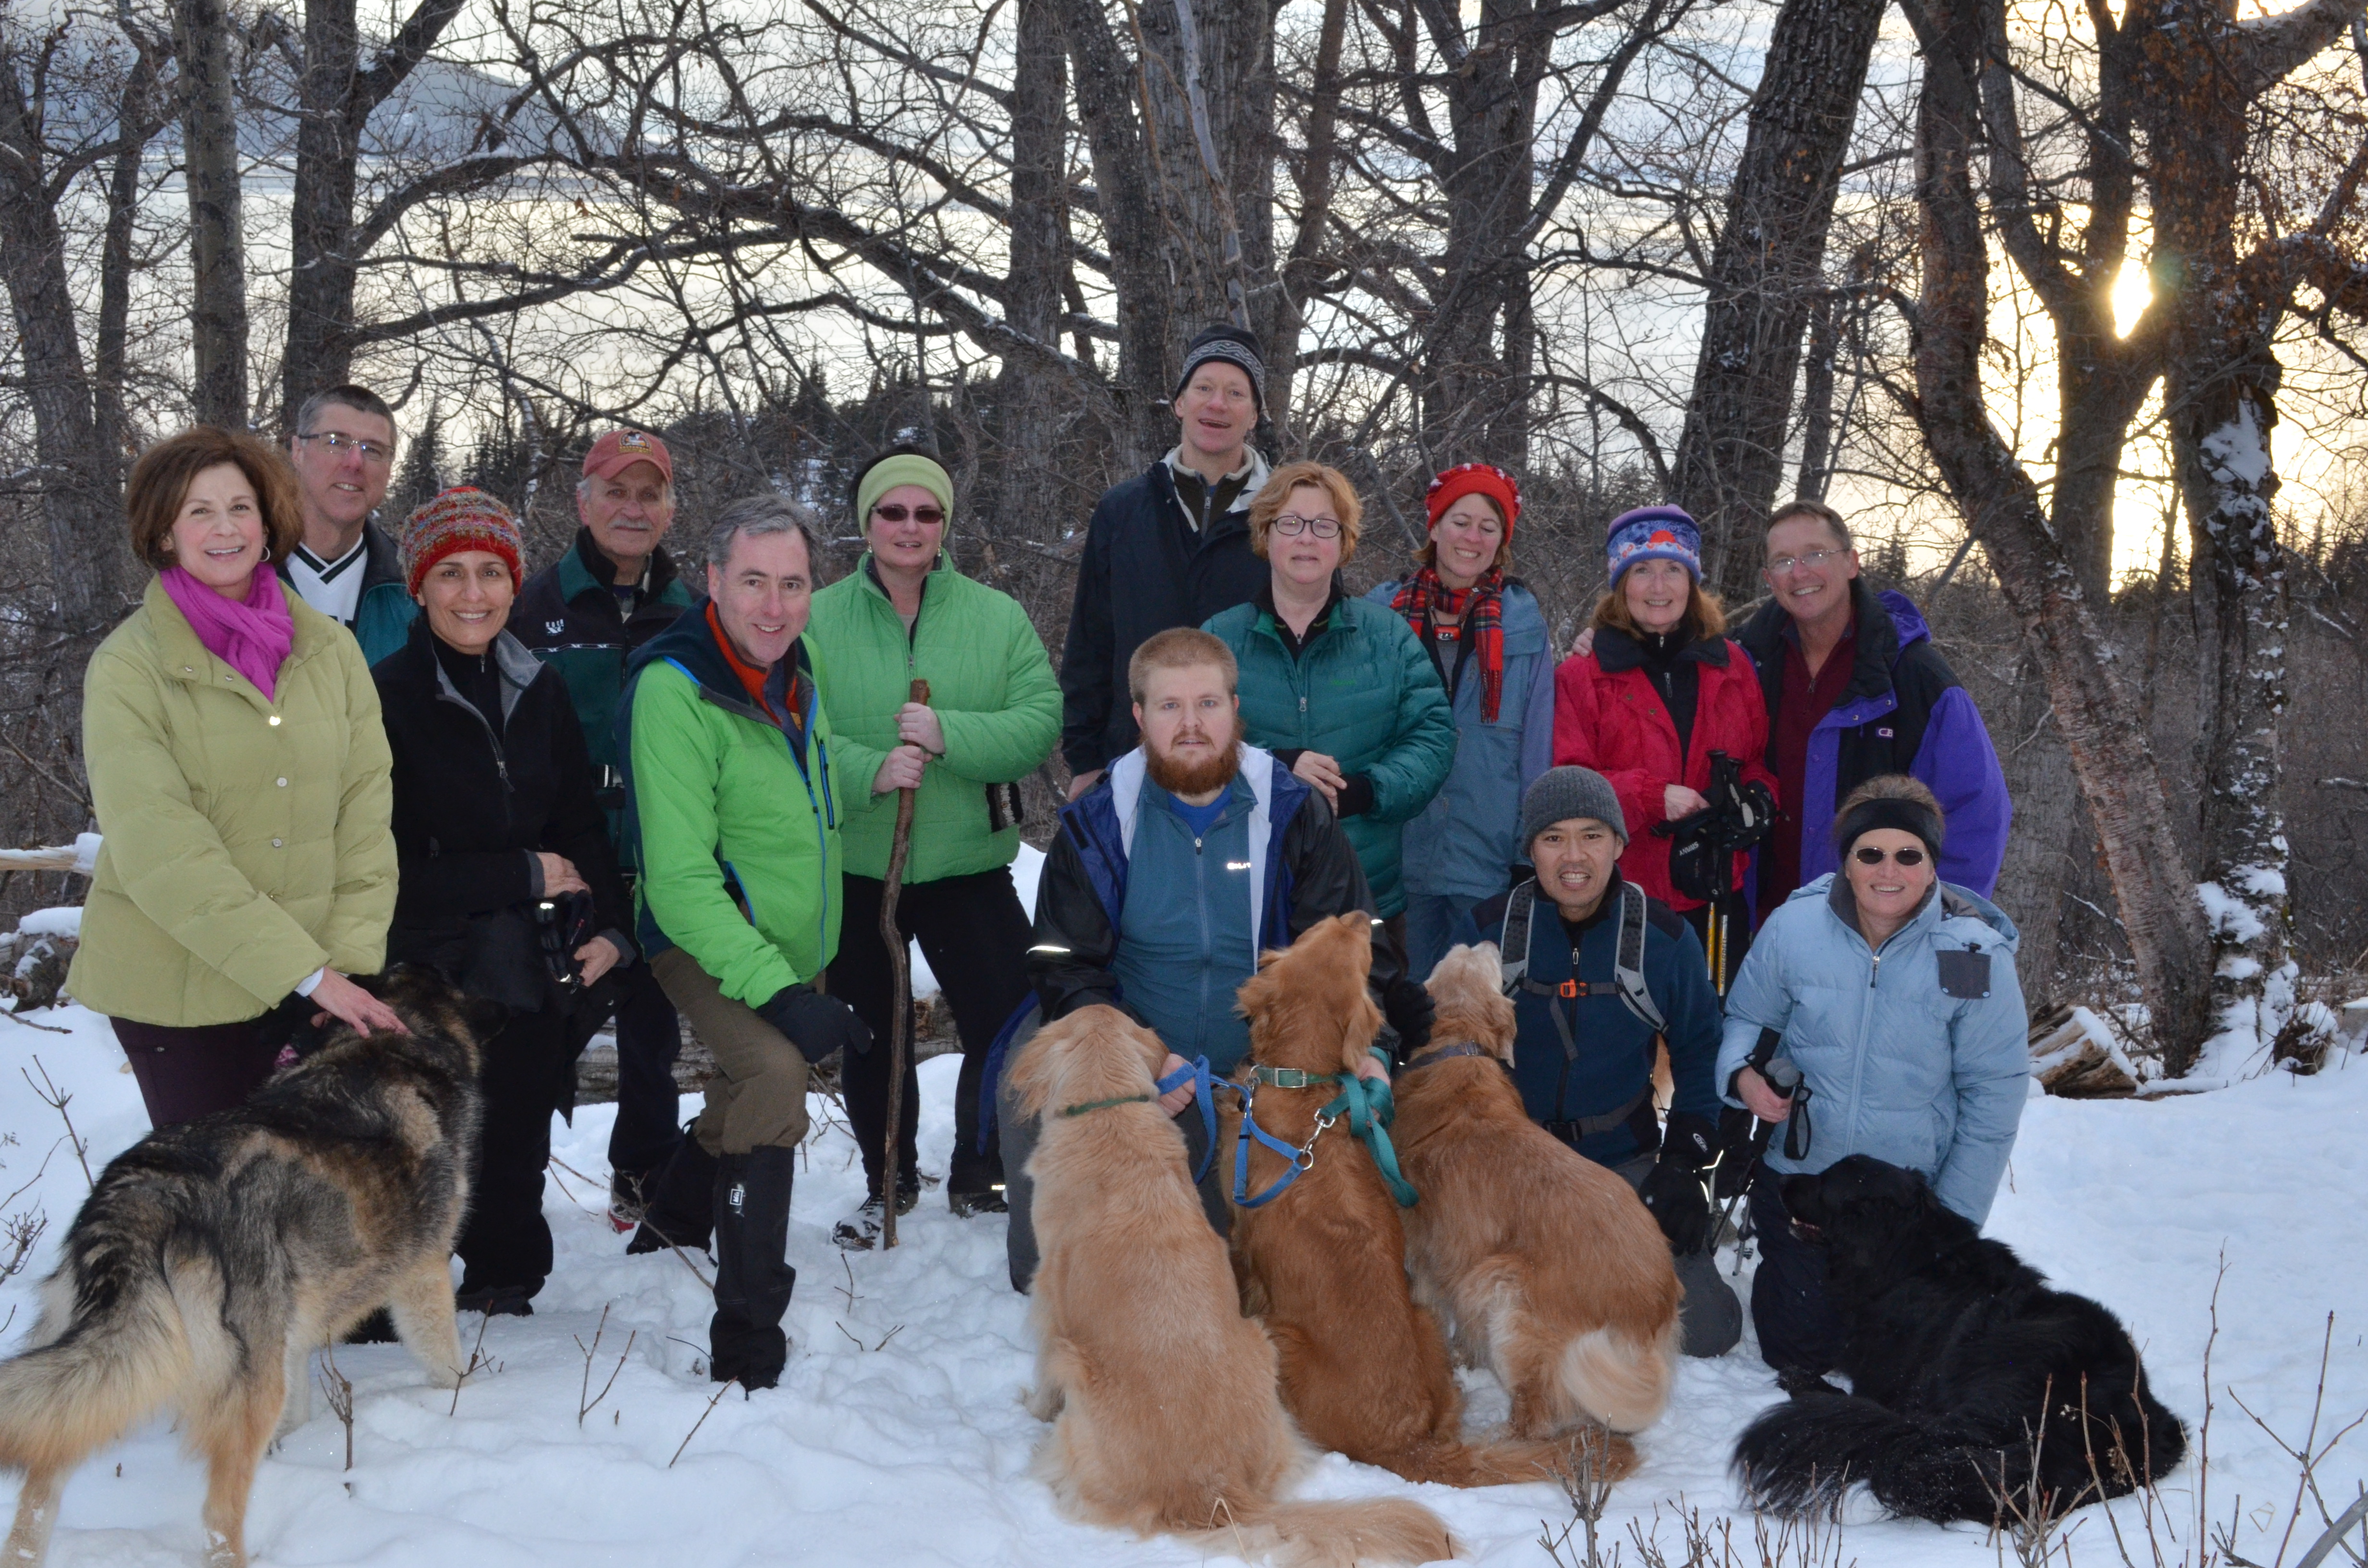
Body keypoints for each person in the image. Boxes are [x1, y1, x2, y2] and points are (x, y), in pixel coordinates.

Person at [1003, 627, 1431, 1292]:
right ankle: (1059, 1282)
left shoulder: (1293, 811)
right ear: (1140, 716)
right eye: (1169, 707)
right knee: (1026, 1078)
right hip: (1140, 1045)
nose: (1191, 725)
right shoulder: (1097, 822)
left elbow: (1354, 945)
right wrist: (1144, 1054)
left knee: (1249, 1269)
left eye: (1207, 704)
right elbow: (1063, 962)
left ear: (1235, 709)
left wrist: (1368, 1047)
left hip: (1266, 1063)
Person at [72, 427, 404, 1129]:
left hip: (318, 989)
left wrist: (342, 967)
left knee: (311, 1187)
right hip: (180, 992)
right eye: (199, 512)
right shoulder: (128, 668)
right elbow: (161, 848)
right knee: (221, 1191)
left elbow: (365, 814)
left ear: (267, 522)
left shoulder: (330, 651)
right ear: (164, 534)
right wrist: (304, 973)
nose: (225, 529)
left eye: (241, 508)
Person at [614, 495, 869, 1390]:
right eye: (754, 581)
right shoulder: (673, 689)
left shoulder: (800, 669)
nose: (774, 605)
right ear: (713, 580)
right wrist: (782, 996)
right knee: (771, 1073)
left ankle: (674, 1217)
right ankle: (748, 1331)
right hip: (699, 934)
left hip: (786, 938)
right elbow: (682, 883)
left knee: (740, 1086)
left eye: (792, 584)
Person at [372, 488, 632, 1316]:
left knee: (516, 1128)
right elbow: (386, 868)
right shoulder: (385, 696)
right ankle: (382, 1299)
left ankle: (504, 1276)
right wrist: (521, 874)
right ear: (419, 586)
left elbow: (579, 823)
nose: (473, 592)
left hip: (529, 958)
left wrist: (614, 929)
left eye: (491, 571)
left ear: (515, 584)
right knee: (415, 1144)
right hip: (423, 962)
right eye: (450, 572)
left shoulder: (538, 687)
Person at [808, 448, 1060, 1246]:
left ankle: (981, 1173)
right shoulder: (815, 619)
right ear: (867, 524)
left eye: (926, 513)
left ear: (945, 524)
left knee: (1006, 1022)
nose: (909, 527)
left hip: (966, 863)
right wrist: (869, 770)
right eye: (893, 511)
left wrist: (949, 733)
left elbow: (1038, 721)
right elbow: (793, 734)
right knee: (873, 1031)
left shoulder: (996, 617)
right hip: (858, 867)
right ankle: (887, 1180)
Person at [1716, 774, 2027, 1385]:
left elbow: (1992, 1096)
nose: (1889, 872)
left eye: (1908, 855)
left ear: (1931, 863)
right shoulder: (1793, 929)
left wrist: (1952, 1228)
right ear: (1846, 861)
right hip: (1807, 1185)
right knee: (1798, 1353)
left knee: (1899, 1365)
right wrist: (1741, 1076)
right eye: (1870, 854)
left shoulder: (1968, 956)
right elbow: (1746, 1018)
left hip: (1905, 1204)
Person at [1475, 767, 1742, 1358]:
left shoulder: (1663, 938)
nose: (1573, 857)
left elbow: (1700, 1047)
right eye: (1553, 838)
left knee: (1707, 1330)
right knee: (1496, 1317)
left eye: (1591, 836)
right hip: (1511, 1167)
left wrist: (1685, 1162)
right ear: (1530, 850)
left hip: (1622, 1162)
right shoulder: (1489, 930)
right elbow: (1443, 1042)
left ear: (1619, 844)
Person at [512, 428, 697, 1231]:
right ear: (582, 502)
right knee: (541, 1033)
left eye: (649, 494)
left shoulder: (694, 615)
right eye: (615, 491)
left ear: (670, 509)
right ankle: (513, 1185)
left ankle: (643, 1173)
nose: (633, 508)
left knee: (653, 1036)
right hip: (565, 864)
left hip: (660, 857)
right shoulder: (532, 608)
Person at [1204, 460, 1456, 973]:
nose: (1306, 538)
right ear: (1265, 534)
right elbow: (1189, 746)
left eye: (1324, 525)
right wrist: (1275, 767)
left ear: (1344, 543)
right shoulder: (1217, 639)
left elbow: (1432, 735)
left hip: (1365, 896)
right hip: (1247, 897)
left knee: (1368, 1026)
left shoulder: (1387, 637)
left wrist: (1364, 791)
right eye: (1290, 522)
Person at [1735, 499, 2009, 912]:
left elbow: (1976, 815)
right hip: (1754, 925)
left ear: (1851, 562)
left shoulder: (1916, 679)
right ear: (1768, 579)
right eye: (1783, 561)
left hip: (1872, 931)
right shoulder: (1741, 667)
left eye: (1815, 554)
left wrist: (1937, 922)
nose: (1799, 572)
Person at [1553, 506, 1777, 991]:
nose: (1658, 586)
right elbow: (1570, 786)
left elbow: (1758, 762)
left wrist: (1757, 801)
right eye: (1642, 570)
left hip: (1714, 891)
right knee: (1624, 1025)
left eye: (1673, 569)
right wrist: (1652, 797)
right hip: (1621, 892)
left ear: (1692, 582)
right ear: (1621, 584)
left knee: (1710, 1022)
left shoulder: (1731, 666)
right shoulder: (1582, 674)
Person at [1059, 324, 1273, 797]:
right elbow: (1090, 644)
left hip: (1251, 768)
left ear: (1254, 415)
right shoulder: (1123, 510)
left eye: (1236, 393)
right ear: (1179, 403)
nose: (1217, 404)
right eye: (1204, 388)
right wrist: (1086, 760)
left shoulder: (1286, 516)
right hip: (1133, 763)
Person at [1367, 463, 1556, 980]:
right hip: (1396, 857)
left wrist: (1528, 851)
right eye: (1460, 521)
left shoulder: (1523, 626)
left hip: (1485, 861)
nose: (1472, 538)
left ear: (1502, 542)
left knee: (1472, 1009)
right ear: (1434, 527)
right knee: (1396, 1005)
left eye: (1487, 527)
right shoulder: (1379, 616)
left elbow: (1537, 748)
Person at [276, 385, 417, 662]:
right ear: (298, 451)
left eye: (372, 450)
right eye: (336, 443)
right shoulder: (240, 573)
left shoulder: (414, 592)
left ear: (390, 468)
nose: (355, 463)